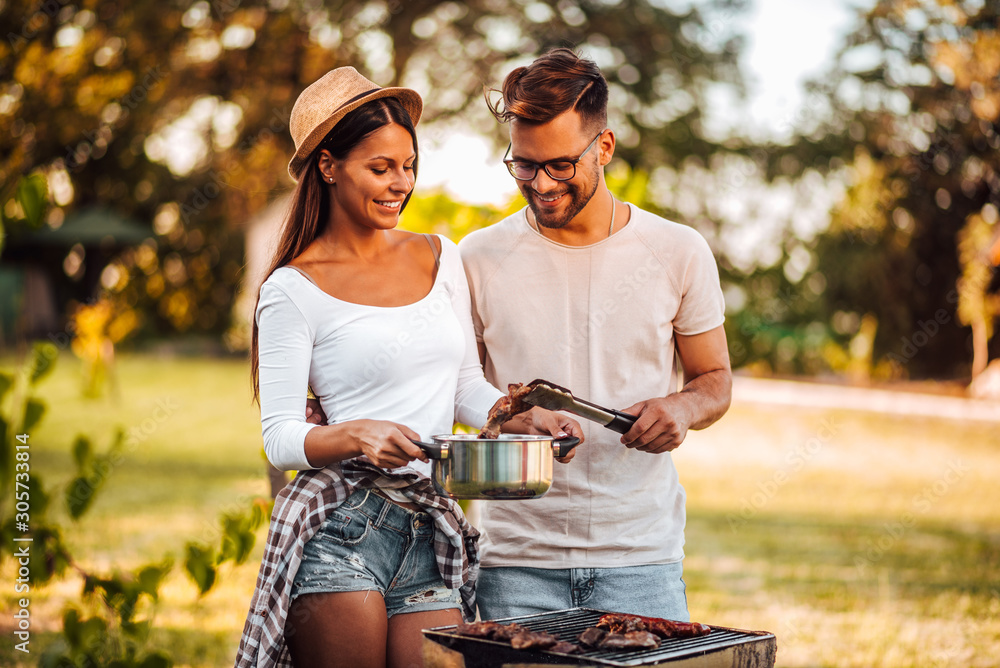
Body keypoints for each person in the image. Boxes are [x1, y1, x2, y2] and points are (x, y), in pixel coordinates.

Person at [234, 67, 580, 668]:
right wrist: (356, 433)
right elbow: (280, 437)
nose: (401, 183)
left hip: (431, 523)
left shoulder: (439, 256)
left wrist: (522, 419)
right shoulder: (293, 289)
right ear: (328, 165)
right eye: (381, 167)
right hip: (343, 529)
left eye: (408, 165)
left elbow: (464, 386)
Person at [459, 48, 733, 622]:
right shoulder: (478, 258)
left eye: (560, 164)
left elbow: (715, 381)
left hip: (642, 560)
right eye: (524, 165)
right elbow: (465, 391)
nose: (541, 184)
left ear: (603, 147)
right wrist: (511, 416)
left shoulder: (677, 251)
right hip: (515, 563)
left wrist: (681, 408)